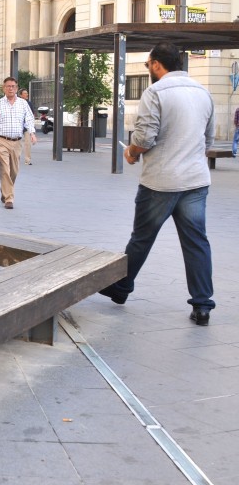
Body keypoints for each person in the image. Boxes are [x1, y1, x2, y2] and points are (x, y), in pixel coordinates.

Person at [98, 42, 215, 326]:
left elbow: (145, 138)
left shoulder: (155, 92)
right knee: (197, 242)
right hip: (196, 181)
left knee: (141, 238)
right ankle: (202, 306)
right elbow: (207, 140)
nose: (148, 69)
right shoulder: (203, 92)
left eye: (148, 64)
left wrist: (131, 152)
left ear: (157, 64)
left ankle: (122, 287)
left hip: (161, 182)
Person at [0, 77, 35, 209]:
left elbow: (29, 119)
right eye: (8, 86)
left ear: (17, 88)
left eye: (13, 86)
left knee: (14, 171)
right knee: (5, 169)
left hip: (16, 142)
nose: (11, 88)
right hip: (1, 141)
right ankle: (9, 198)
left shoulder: (23, 104)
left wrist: (32, 133)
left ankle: (5, 191)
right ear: (4, 88)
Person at [18, 88, 37, 165]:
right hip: (18, 126)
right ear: (21, 95)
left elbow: (32, 115)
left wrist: (32, 126)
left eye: (27, 93)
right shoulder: (17, 103)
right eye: (25, 93)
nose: (27, 94)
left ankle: (27, 160)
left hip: (27, 127)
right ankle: (16, 159)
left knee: (28, 143)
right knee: (17, 143)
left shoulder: (29, 103)